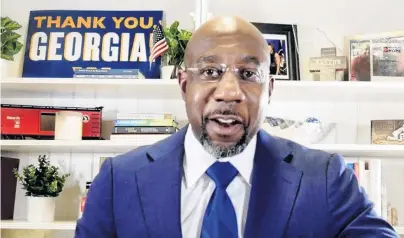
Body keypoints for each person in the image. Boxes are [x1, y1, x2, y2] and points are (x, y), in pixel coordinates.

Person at [74, 16, 399, 238]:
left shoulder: (326, 178)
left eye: (247, 74)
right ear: (184, 84)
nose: (229, 92)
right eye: (211, 72)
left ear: (269, 90)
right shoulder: (118, 180)